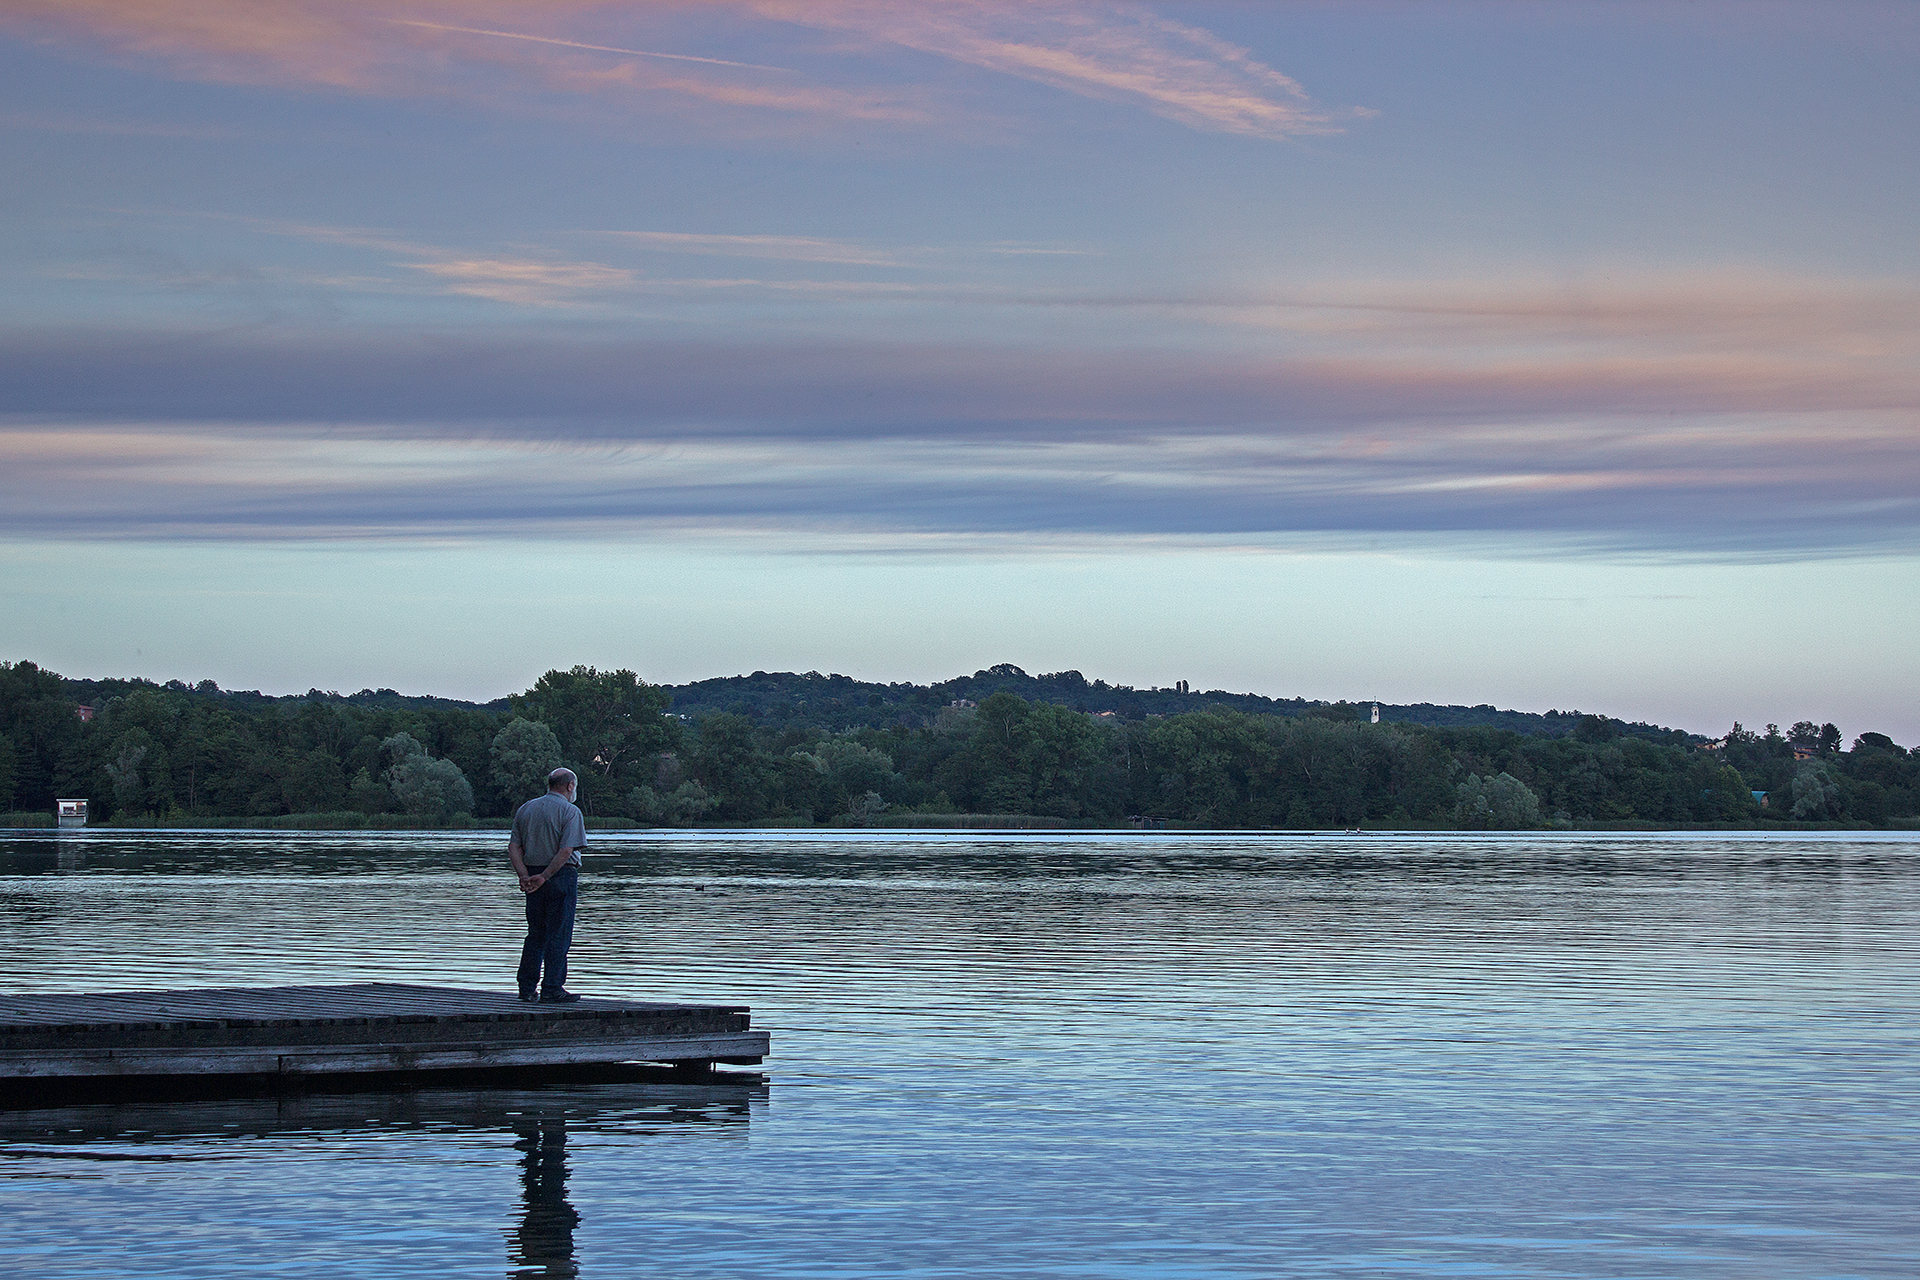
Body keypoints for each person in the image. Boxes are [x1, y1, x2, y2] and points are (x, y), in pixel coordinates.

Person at [508, 767, 587, 1004]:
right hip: (560, 876)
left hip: (531, 875)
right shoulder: (570, 811)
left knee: (536, 934)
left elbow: (513, 847)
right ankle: (552, 987)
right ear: (570, 786)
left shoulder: (526, 808)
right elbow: (566, 850)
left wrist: (524, 876)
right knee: (559, 934)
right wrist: (546, 875)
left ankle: (526, 987)